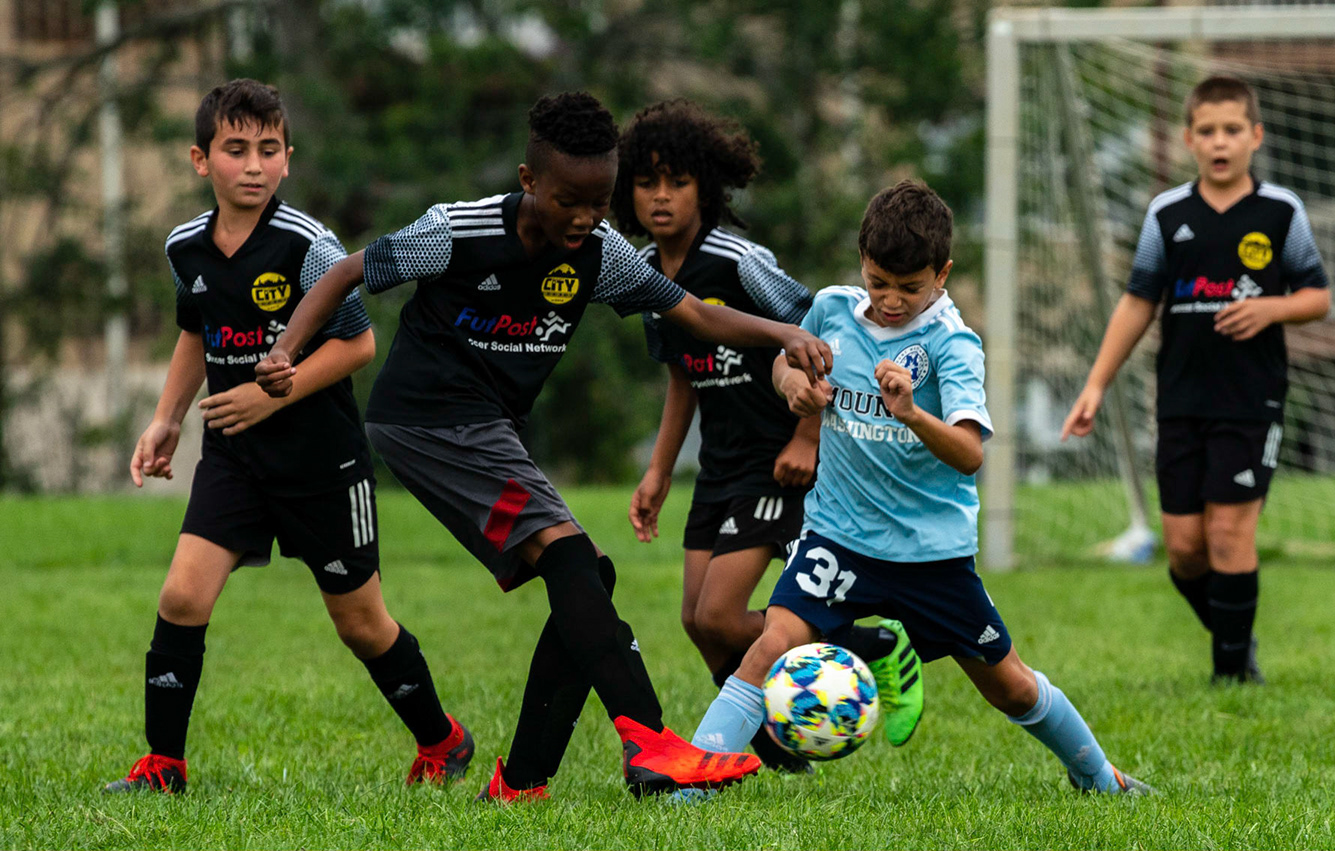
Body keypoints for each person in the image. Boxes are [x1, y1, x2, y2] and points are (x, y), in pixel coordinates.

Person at [255, 91, 835, 801]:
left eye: (599, 202)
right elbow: (346, 270)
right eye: (569, 200)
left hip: (483, 427)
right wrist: (285, 348)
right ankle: (650, 742)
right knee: (567, 556)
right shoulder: (457, 231)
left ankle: (522, 779)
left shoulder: (601, 253)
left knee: (587, 573)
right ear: (530, 182)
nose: (585, 218)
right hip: (427, 421)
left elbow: (691, 314)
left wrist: (785, 334)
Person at [681, 180, 1153, 797]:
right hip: (838, 536)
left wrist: (912, 414)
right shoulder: (830, 309)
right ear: (862, 265)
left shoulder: (952, 344)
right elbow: (788, 360)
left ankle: (1099, 776)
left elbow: (969, 454)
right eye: (879, 283)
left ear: (943, 274)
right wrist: (790, 385)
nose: (892, 300)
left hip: (930, 554)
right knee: (771, 645)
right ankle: (689, 780)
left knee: (1007, 684)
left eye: (910, 288)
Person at [108, 79, 471, 794]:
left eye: (267, 150)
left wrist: (270, 397)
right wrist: (166, 417)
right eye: (235, 149)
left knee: (362, 625)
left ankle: (442, 739)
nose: (252, 164)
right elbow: (196, 330)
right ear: (199, 159)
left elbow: (358, 346)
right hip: (235, 460)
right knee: (181, 597)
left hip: (321, 463)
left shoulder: (309, 246)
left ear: (287, 159)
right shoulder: (186, 246)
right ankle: (162, 765)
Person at [615, 100, 923, 773]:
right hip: (719, 464)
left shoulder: (738, 261)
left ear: (707, 188)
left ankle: (864, 644)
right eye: (646, 182)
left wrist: (807, 435)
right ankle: (780, 748)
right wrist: (660, 470)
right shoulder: (644, 273)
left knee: (724, 616)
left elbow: (823, 339)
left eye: (677, 182)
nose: (660, 196)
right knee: (696, 619)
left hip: (777, 460)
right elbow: (682, 377)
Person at [1061, 76, 1331, 683]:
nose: (1220, 142)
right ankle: (1238, 641)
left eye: (1233, 130)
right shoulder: (1167, 214)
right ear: (1188, 139)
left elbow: (1317, 296)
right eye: (1207, 131)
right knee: (1184, 550)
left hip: (1251, 401)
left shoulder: (1281, 212)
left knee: (1231, 533)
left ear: (1255, 137)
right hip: (1180, 401)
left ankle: (1231, 674)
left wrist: (1271, 308)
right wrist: (1096, 384)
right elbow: (1138, 302)